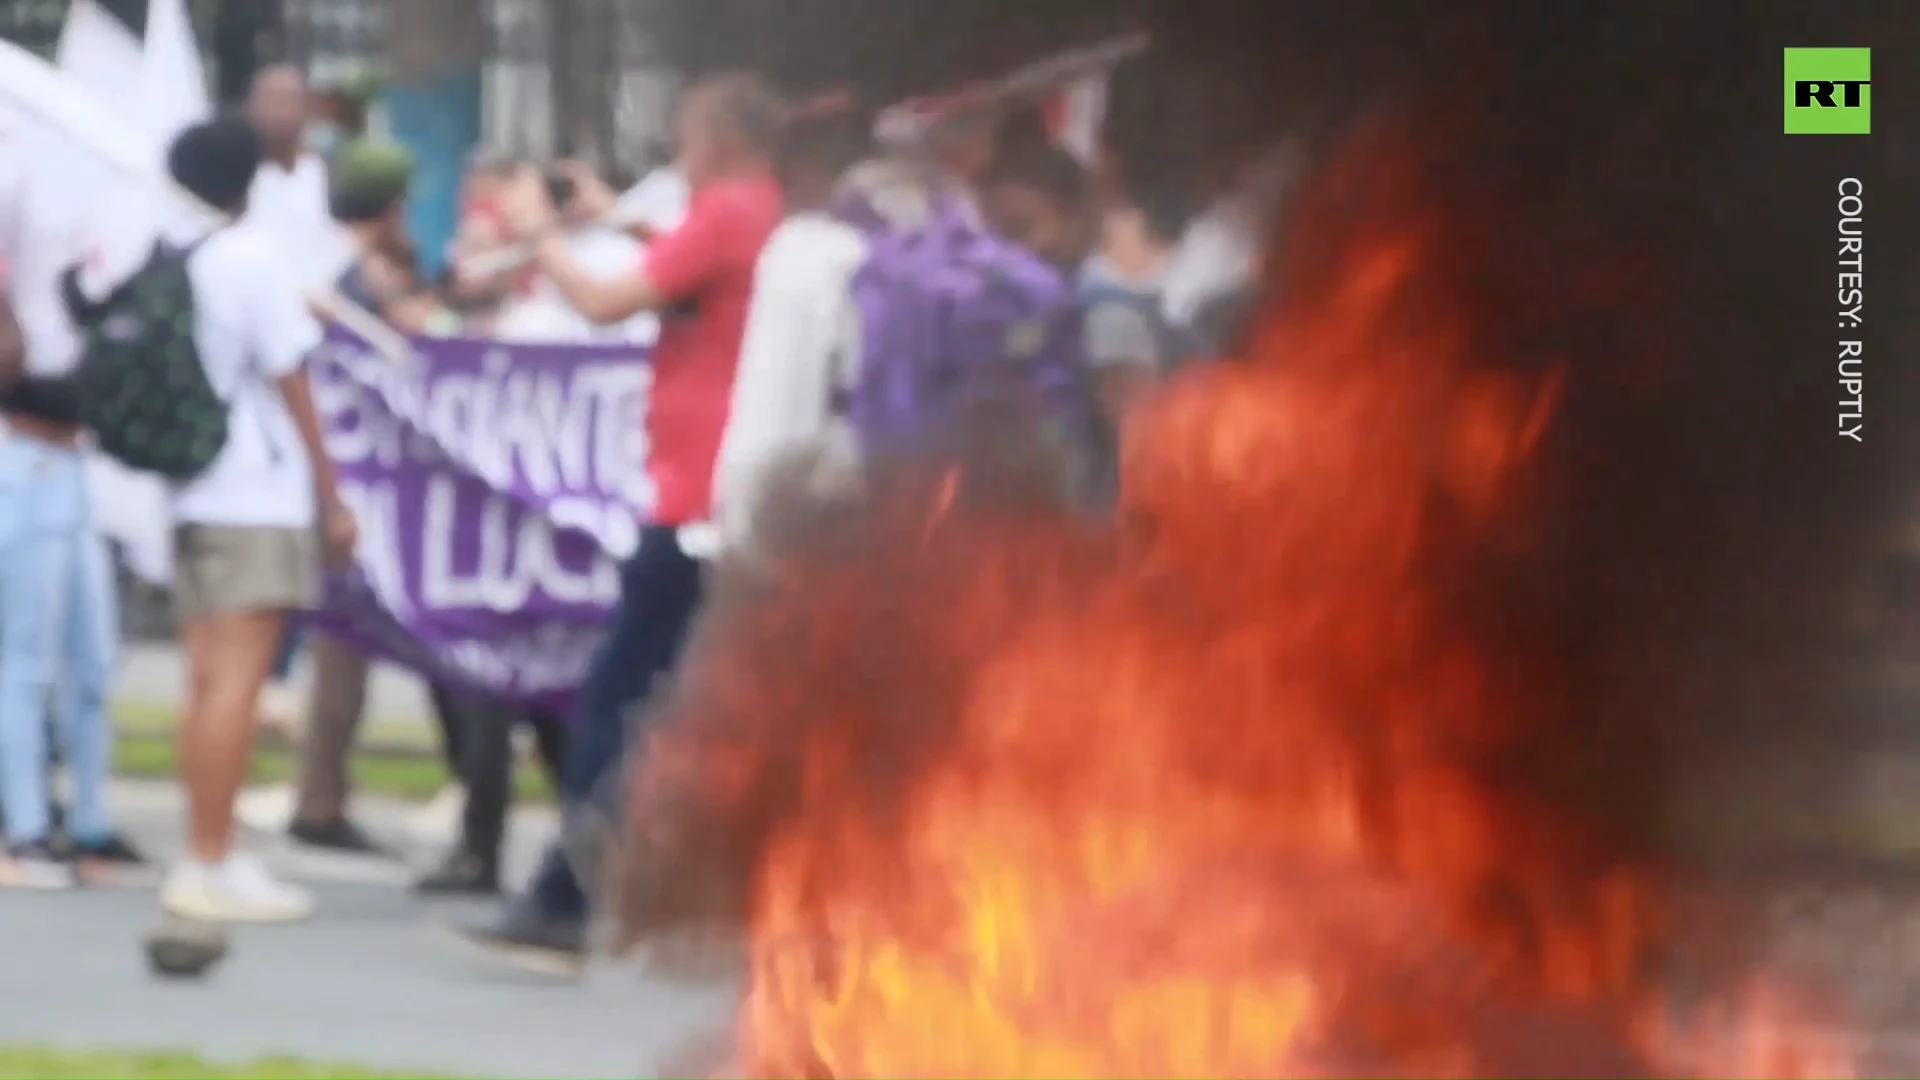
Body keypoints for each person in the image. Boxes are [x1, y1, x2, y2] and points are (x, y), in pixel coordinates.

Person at [451, 72, 788, 972]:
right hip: (723, 496)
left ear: (715, 129)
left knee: (621, 702)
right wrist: (612, 221)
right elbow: (688, 268)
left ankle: (569, 898)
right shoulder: (763, 211)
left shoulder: (725, 209)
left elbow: (604, 303)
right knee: (698, 701)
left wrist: (539, 237)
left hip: (693, 503)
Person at [158, 115, 356, 923]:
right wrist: (329, 490)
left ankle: (204, 848)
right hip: (254, 490)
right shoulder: (250, 257)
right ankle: (212, 859)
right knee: (238, 683)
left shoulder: (182, 254)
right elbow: (290, 373)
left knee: (207, 679)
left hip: (193, 487)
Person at [0, 122, 145, 889]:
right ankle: (25, 828)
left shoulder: (89, 244)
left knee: (92, 663)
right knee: (23, 665)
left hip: (75, 468)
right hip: (24, 464)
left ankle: (87, 822)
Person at [242, 62, 354, 738]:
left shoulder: (323, 182)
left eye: (292, 98)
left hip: (321, 367)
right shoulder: (238, 187)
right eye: (270, 97)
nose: (282, 110)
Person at [711, 103, 873, 550]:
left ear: (802, 175)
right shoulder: (912, 248)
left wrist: (739, 524)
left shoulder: (803, 250)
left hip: (803, 510)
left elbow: (775, 407)